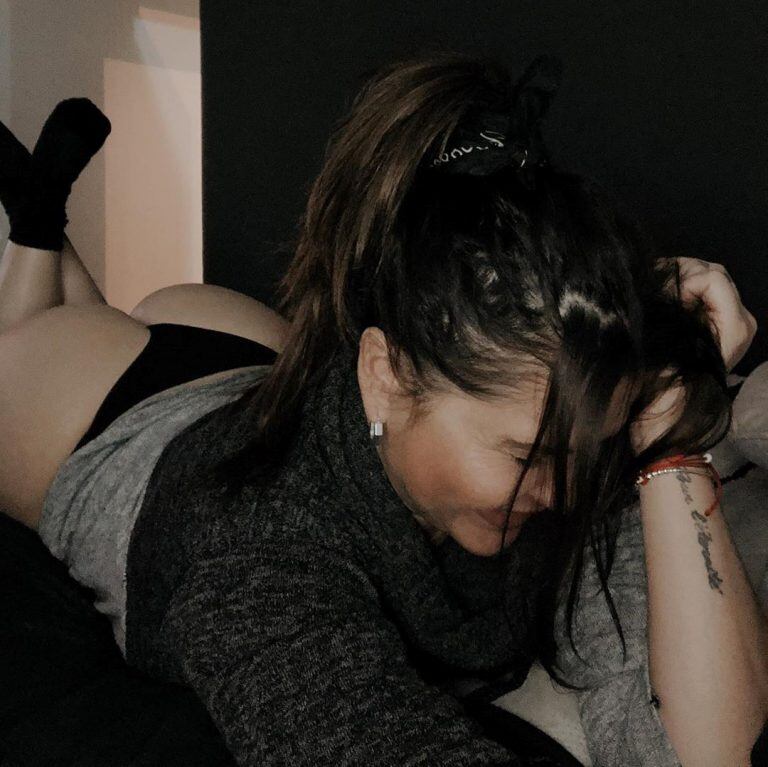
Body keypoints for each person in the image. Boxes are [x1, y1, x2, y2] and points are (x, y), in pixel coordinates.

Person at [0, 51, 766, 767]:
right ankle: (38, 224)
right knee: (28, 330)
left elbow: (707, 750)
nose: (564, 491)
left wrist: (673, 441)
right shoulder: (253, 562)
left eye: (588, 453)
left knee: (105, 310)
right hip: (102, 413)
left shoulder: (559, 426)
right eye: (522, 455)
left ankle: (42, 218)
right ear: (385, 376)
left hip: (256, 364)